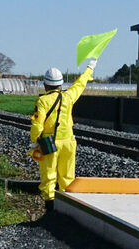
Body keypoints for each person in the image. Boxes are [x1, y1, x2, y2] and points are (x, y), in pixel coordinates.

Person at [30, 59, 97, 211]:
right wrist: (90, 68)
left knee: (49, 177)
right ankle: (68, 209)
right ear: (61, 84)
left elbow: (37, 124)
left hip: (49, 144)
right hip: (69, 143)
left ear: (45, 85)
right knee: (67, 177)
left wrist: (35, 140)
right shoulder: (68, 97)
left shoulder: (42, 101)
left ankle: (51, 210)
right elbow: (80, 84)